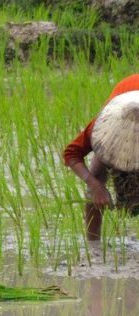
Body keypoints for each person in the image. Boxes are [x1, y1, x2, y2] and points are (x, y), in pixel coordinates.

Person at [63, 74, 139, 242]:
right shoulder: (105, 125)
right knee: (97, 172)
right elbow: (71, 154)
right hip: (123, 115)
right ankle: (93, 243)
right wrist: (95, 186)